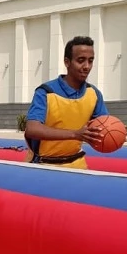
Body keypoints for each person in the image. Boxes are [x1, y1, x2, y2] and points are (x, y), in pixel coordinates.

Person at [24, 36, 108, 170]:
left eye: (90, 61)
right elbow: (32, 129)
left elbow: (104, 127)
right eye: (81, 60)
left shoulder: (94, 94)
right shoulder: (46, 92)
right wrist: (75, 134)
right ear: (67, 62)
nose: (87, 66)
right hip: (44, 166)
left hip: (77, 165)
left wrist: (116, 132)